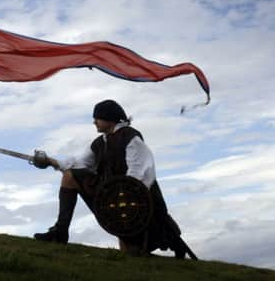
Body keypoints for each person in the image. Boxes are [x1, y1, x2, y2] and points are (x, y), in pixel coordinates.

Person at [34, 99, 188, 257]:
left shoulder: (130, 137)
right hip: (111, 194)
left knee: (132, 252)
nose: (94, 122)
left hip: (136, 198)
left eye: (98, 118)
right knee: (70, 176)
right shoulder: (100, 142)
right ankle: (60, 232)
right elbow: (80, 164)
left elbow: (139, 173)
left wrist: (124, 202)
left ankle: (173, 242)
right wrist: (50, 161)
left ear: (110, 118)